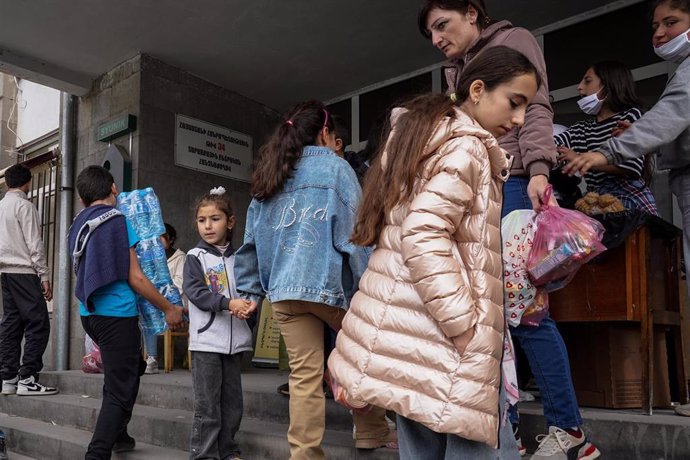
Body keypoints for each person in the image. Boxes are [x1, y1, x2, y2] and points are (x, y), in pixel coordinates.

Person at [327, 46, 537, 460]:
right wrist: (465, 325)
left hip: (412, 335)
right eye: (515, 103)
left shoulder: (426, 138)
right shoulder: (468, 148)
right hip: (446, 338)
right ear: (477, 90)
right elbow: (423, 235)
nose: (519, 119)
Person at [419, 3, 602, 458]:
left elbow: (537, 107)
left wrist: (538, 169)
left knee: (525, 313)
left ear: (472, 12)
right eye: (431, 34)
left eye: (443, 25)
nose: (438, 38)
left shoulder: (513, 40)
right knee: (489, 313)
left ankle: (570, 431)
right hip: (478, 186)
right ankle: (508, 430)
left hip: (515, 184)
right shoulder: (454, 71)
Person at [233, 100, 396, 459]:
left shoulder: (270, 175)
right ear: (325, 132)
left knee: (304, 378)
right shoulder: (336, 170)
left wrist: (250, 292)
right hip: (329, 287)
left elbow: (249, 244)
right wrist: (369, 288)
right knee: (363, 356)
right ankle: (371, 430)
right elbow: (357, 235)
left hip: (284, 294)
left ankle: (305, 454)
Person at [563, 0, 690, 418]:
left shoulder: (640, 111)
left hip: (628, 209)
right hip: (596, 213)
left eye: (671, 22)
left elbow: (665, 122)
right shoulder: (588, 125)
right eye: (656, 25)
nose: (659, 34)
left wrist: (606, 152)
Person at [67, 165, 184, 459]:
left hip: (89, 313)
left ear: (82, 199)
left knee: (129, 372)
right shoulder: (118, 220)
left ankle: (120, 433)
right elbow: (136, 277)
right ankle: (98, 452)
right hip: (116, 315)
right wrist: (168, 308)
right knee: (120, 386)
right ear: (114, 189)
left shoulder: (78, 223)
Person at [183, 187, 253, 460]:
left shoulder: (241, 258)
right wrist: (228, 304)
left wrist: (249, 307)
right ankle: (204, 455)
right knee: (208, 406)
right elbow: (196, 293)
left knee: (233, 404)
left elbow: (249, 290)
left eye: (215, 219)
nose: (208, 226)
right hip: (206, 343)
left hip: (234, 345)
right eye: (202, 220)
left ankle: (228, 450)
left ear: (231, 222)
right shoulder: (195, 257)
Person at [555, 61, 658, 215]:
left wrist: (579, 158)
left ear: (609, 85)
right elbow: (553, 144)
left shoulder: (630, 116)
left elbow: (630, 167)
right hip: (595, 201)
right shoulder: (581, 128)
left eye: (587, 81)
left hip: (628, 197)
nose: (579, 87)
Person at [0, 163, 58, 396]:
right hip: (24, 272)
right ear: (27, 183)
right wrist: (44, 276)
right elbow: (35, 244)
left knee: (11, 324)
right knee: (39, 323)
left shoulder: (0, 206)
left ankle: (8, 378)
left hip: (5, 273)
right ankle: (28, 378)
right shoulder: (24, 206)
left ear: (7, 183)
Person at [142, 222, 187, 374]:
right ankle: (138, 357)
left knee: (150, 309)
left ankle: (152, 358)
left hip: (175, 304)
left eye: (160, 238)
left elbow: (180, 285)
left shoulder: (181, 258)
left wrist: (160, 296)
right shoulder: (150, 259)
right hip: (155, 301)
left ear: (170, 239)